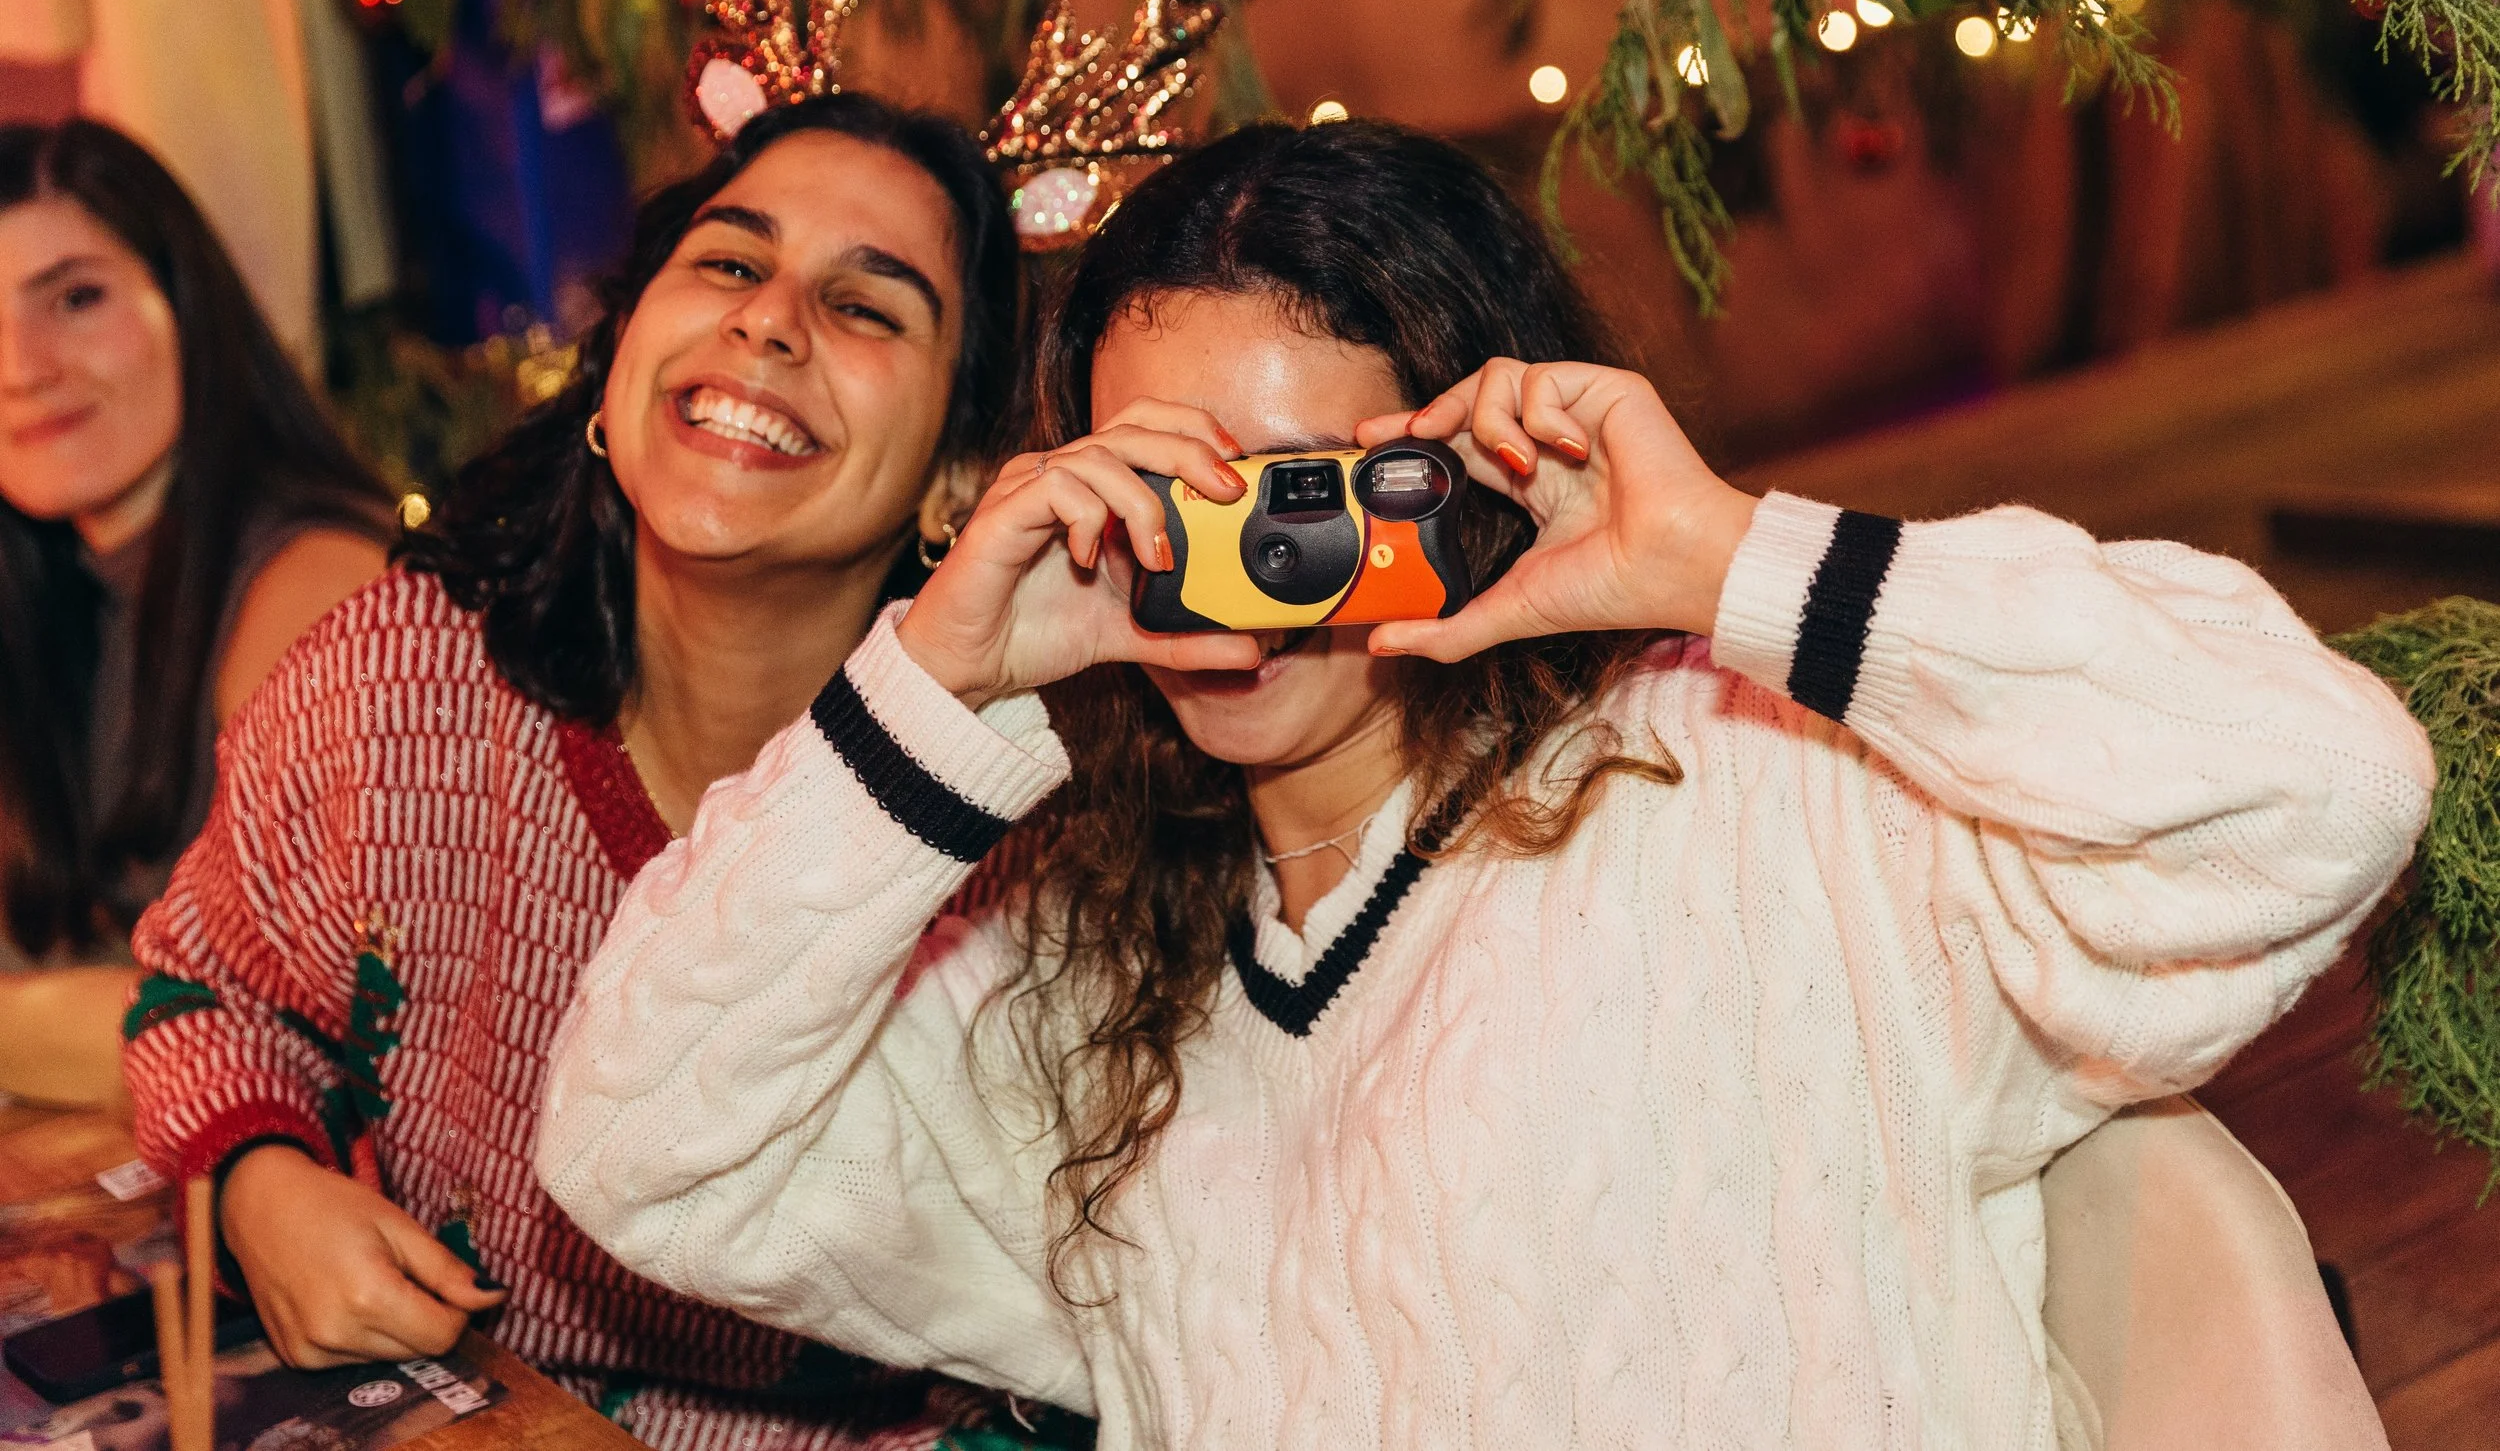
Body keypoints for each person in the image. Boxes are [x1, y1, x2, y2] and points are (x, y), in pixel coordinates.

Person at [535, 118, 2434, 1448]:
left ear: (1466, 467)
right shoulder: (1079, 992)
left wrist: (1730, 559)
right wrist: (944, 677)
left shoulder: (1756, 794)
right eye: (1174, 494)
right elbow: (637, 1149)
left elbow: (2317, 786)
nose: (1246, 570)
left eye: (1313, 499)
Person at [121, 94, 1075, 1450]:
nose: (769, 318)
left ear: (956, 479)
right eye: (731, 262)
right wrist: (265, 1178)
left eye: (869, 306)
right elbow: (209, 985)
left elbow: (1091, 1338)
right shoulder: (406, 683)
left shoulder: (1032, 827)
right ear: (621, 357)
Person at [0, 120, 391, 1109]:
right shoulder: (52, 591)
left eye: (74, 298)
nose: (21, 365)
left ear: (186, 301)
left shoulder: (316, 585)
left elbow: (331, 1030)